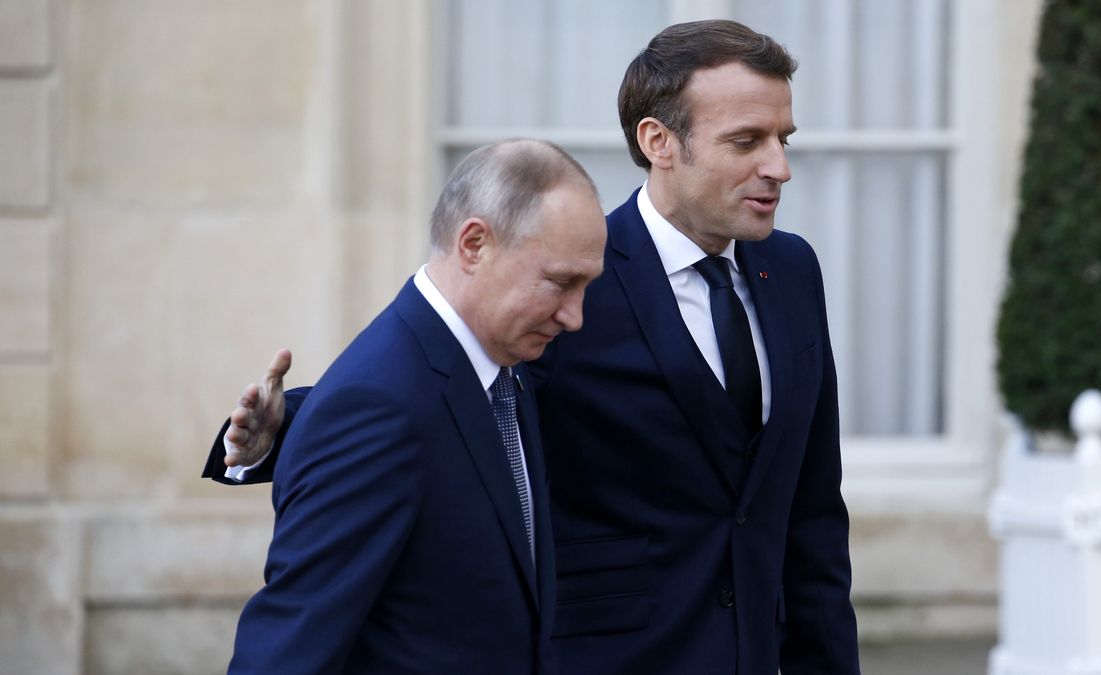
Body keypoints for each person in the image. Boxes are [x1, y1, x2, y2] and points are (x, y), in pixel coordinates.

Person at [207, 20, 860, 675]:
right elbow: (445, 389)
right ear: (659, 142)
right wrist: (284, 427)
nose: (778, 166)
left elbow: (814, 518)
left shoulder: (793, 272)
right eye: (747, 140)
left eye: (783, 138)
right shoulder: (568, 276)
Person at [217, 139, 607, 674]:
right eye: (561, 283)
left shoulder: (500, 368)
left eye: (586, 286)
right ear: (474, 244)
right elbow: (288, 652)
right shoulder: (375, 407)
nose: (575, 316)